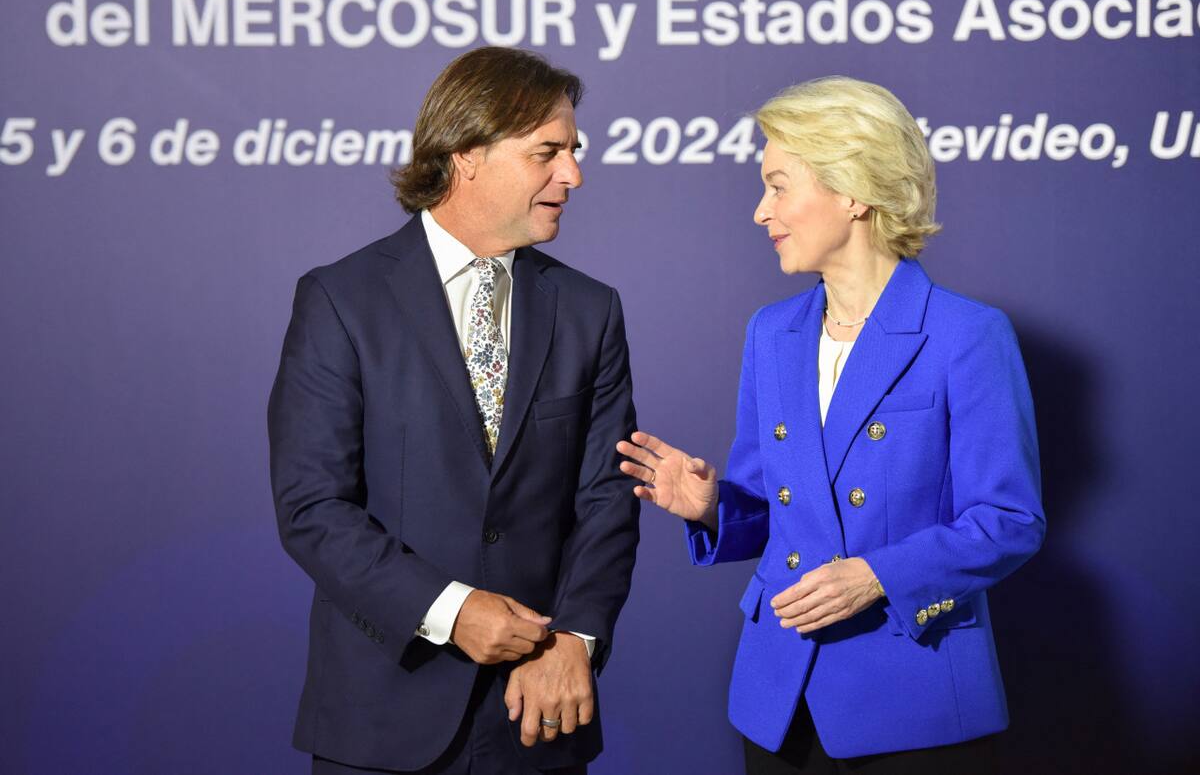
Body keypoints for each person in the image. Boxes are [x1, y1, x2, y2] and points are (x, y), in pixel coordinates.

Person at [617, 76, 1045, 773]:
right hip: (778, 700)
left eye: (777, 186)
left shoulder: (966, 334)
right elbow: (777, 510)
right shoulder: (772, 333)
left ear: (852, 191)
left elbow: (1009, 520)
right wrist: (713, 506)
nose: (761, 211)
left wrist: (877, 575)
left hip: (912, 699)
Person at [268, 47, 639, 775]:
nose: (573, 175)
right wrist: (453, 610)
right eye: (548, 153)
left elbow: (606, 497)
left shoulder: (589, 310)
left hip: (537, 717)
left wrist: (575, 640)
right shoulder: (341, 300)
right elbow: (313, 506)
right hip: (383, 720)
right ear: (468, 153)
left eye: (574, 151)